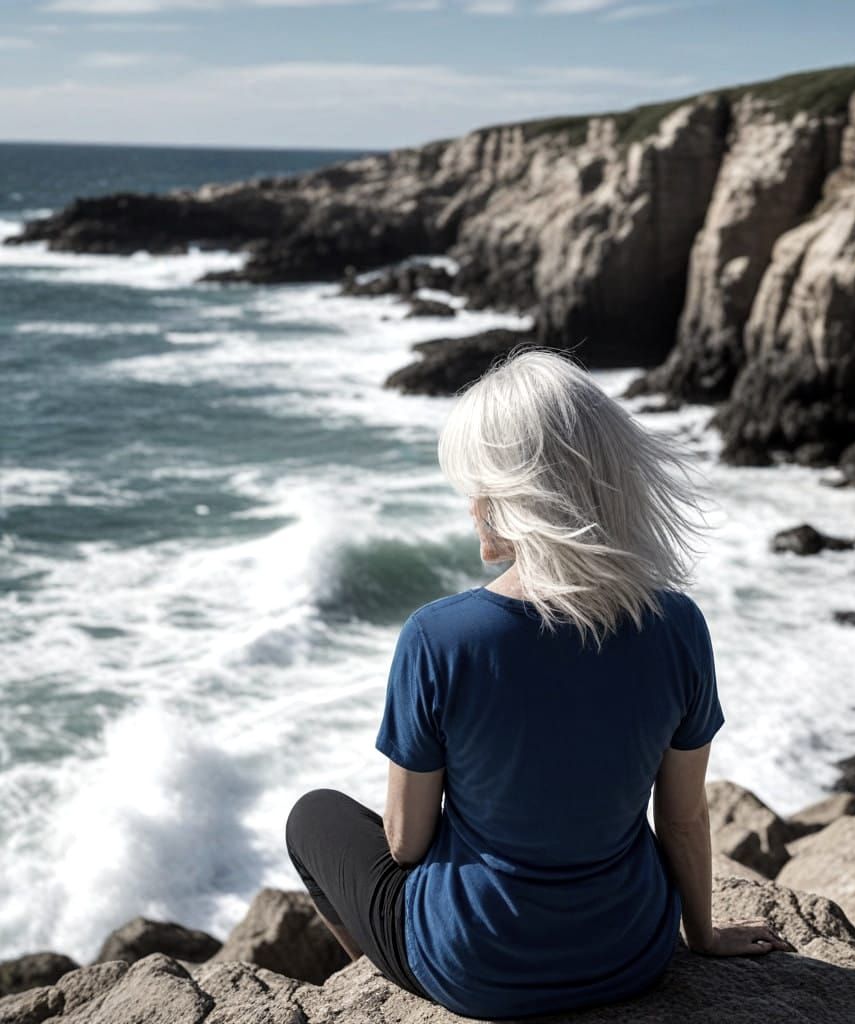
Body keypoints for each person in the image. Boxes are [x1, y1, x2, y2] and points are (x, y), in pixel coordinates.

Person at [285, 347, 794, 1020]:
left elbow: (405, 843)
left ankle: (380, 984)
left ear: (519, 498)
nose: (472, 508)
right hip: (630, 957)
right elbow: (681, 818)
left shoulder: (441, 638)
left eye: (481, 489)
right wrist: (702, 937)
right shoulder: (677, 624)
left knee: (311, 816)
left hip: (478, 972)